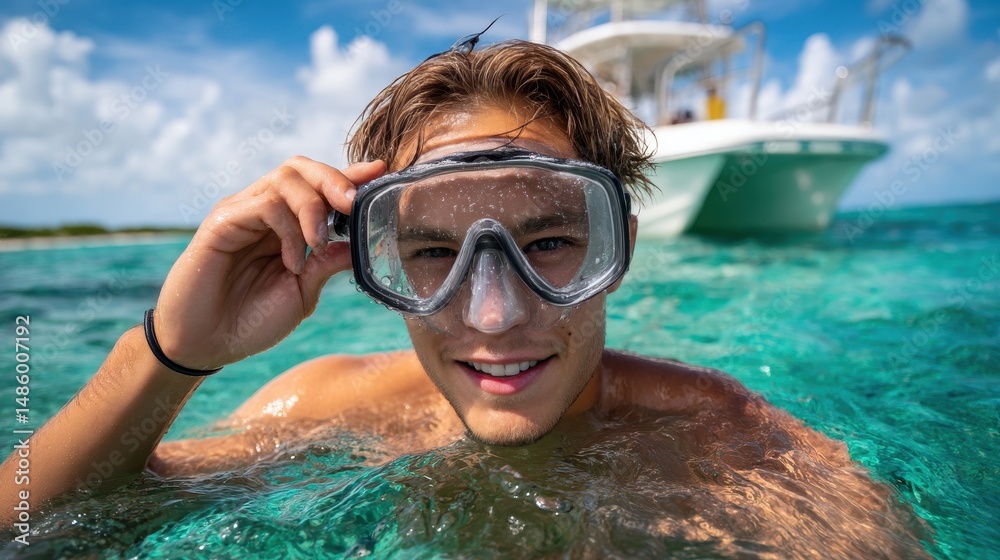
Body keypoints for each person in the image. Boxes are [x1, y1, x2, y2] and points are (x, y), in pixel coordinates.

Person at [2, 37, 928, 556]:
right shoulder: (328, 405)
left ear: (621, 244)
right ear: (376, 264)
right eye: (435, 253)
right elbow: (35, 527)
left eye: (551, 243)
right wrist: (171, 355)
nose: (493, 315)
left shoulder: (733, 451)